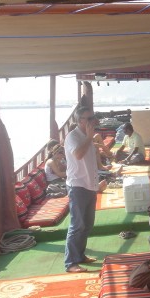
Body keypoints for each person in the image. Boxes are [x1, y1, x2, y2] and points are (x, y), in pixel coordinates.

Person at [63, 106, 100, 273]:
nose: (92, 120)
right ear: (79, 121)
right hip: (77, 186)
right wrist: (89, 138)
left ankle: (80, 256)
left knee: (87, 224)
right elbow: (78, 154)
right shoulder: (73, 136)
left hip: (89, 185)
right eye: (88, 118)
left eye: (93, 117)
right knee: (77, 225)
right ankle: (70, 263)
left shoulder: (87, 137)